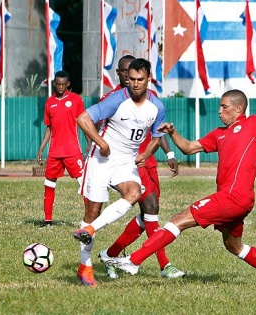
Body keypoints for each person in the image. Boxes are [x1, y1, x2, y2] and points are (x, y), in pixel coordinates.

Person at [107, 89, 256, 285]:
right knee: (233, 245)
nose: (219, 111)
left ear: (238, 108)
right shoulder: (219, 134)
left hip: (233, 197)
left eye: (224, 107)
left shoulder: (254, 124)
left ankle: (134, 261)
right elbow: (189, 148)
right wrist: (173, 132)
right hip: (236, 200)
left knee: (179, 219)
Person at [73, 58, 167, 288]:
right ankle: (84, 266)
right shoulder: (116, 99)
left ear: (148, 79)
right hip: (101, 159)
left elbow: (157, 136)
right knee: (92, 212)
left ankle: (91, 230)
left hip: (125, 161)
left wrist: (146, 154)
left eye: (139, 80)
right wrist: (101, 143)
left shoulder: (157, 106)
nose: (134, 84)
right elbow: (83, 118)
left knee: (134, 193)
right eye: (132, 79)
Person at [96, 55, 185, 279]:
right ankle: (164, 266)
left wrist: (170, 152)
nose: (131, 79)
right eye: (126, 73)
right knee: (151, 209)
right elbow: (96, 124)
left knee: (149, 216)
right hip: (129, 163)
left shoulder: (151, 100)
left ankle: (110, 254)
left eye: (135, 75)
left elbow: (158, 130)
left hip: (149, 161)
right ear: (120, 74)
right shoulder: (114, 99)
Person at [36, 71, 90, 228]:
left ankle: (90, 220)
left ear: (68, 84)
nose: (60, 87)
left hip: (73, 151)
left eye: (63, 84)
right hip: (54, 153)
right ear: (54, 84)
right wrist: (41, 148)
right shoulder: (49, 102)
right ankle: (48, 221)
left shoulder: (76, 100)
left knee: (84, 184)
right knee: (49, 184)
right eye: (57, 84)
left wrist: (88, 142)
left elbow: (84, 122)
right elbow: (49, 127)